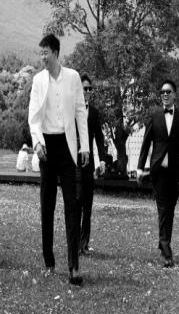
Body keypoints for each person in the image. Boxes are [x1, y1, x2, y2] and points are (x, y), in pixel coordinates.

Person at [28, 33, 89, 286]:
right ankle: (49, 260)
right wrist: (37, 143)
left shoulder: (73, 77)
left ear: (55, 52)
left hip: (67, 146)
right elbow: (33, 117)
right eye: (40, 53)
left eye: (45, 53)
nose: (42, 57)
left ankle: (74, 266)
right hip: (47, 147)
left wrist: (84, 147)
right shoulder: (38, 80)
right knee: (47, 205)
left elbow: (80, 112)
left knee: (72, 206)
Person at [137, 79, 179, 268]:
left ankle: (163, 243)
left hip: (174, 173)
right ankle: (166, 250)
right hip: (158, 171)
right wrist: (140, 167)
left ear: (174, 94)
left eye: (168, 91)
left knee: (170, 209)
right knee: (163, 209)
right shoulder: (155, 116)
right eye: (162, 92)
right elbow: (146, 143)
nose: (165, 94)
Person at [78, 74, 106, 255]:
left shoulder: (94, 112)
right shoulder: (71, 109)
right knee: (76, 203)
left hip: (88, 165)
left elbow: (99, 138)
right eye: (84, 88)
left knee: (88, 204)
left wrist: (102, 159)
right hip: (74, 163)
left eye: (89, 88)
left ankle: (84, 244)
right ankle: (75, 242)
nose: (87, 91)